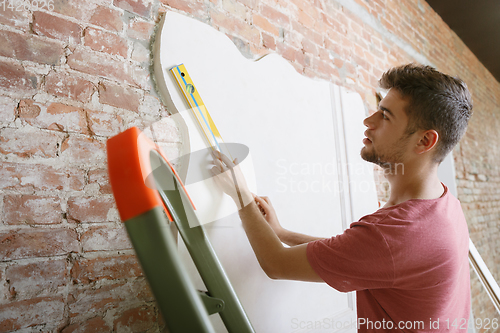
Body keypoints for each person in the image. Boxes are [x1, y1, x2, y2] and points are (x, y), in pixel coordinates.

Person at [210, 63, 473, 332]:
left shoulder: (395, 235)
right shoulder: (445, 205)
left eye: (386, 115)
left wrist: (240, 193)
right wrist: (282, 233)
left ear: (424, 141)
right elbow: (358, 254)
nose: (368, 121)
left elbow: (276, 264)